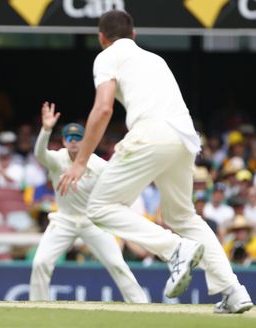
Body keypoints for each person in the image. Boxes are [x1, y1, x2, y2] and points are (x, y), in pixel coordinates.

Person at [57, 10, 253, 313]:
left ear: (101, 38)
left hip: (152, 134)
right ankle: (234, 291)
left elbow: (103, 108)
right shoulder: (155, 59)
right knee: (184, 218)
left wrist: (81, 161)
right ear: (133, 35)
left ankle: (175, 249)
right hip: (185, 139)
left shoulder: (106, 57)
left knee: (99, 207)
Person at [29, 102, 148, 303]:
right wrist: (46, 130)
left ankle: (141, 305)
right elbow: (40, 154)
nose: (74, 141)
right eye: (69, 138)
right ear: (64, 141)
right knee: (40, 262)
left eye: (78, 138)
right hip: (64, 221)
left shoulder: (98, 164)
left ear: (85, 141)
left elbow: (116, 183)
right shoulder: (57, 160)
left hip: (93, 221)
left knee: (117, 264)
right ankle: (36, 306)